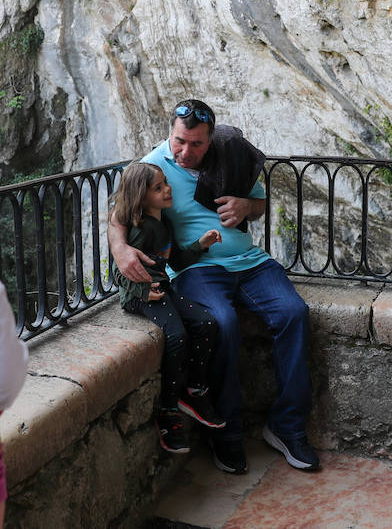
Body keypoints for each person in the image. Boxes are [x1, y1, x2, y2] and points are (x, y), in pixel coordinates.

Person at [109, 99, 319, 475]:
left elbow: (259, 203)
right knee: (222, 323)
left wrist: (245, 206)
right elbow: (118, 216)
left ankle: (287, 427)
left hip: (251, 262)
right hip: (198, 268)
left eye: (197, 144)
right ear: (170, 133)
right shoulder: (153, 165)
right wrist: (121, 250)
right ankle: (227, 433)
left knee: (294, 313)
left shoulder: (229, 155)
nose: (186, 152)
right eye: (179, 141)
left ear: (210, 139)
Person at [109, 161, 226, 453]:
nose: (167, 190)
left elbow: (175, 262)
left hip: (162, 289)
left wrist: (201, 244)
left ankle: (195, 390)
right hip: (140, 296)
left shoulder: (165, 224)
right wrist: (142, 291)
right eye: (158, 188)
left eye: (166, 183)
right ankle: (169, 411)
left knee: (207, 323)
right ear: (141, 195)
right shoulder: (140, 230)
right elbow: (118, 273)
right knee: (177, 336)